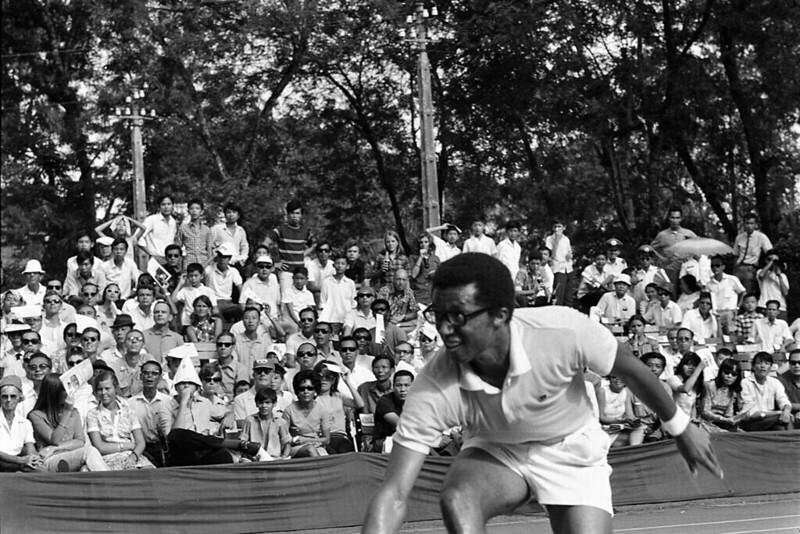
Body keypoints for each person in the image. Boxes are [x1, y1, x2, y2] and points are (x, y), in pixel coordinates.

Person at [362, 253, 721, 534]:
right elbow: (394, 494)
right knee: (458, 499)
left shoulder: (563, 330)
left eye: (457, 316)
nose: (444, 329)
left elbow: (633, 370)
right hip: (497, 452)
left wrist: (680, 427)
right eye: (438, 315)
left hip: (572, 450)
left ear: (501, 314)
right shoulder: (436, 383)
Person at [27, 373, 108, 471]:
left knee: (85, 469)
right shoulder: (36, 415)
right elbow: (55, 440)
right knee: (89, 451)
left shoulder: (74, 412)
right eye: (64, 389)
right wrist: (67, 412)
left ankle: (107, 483)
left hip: (68, 453)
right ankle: (112, 483)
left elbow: (80, 441)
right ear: (54, 392)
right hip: (50, 459)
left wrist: (55, 448)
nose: (69, 393)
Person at [87, 370, 152, 470]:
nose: (104, 393)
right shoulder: (93, 414)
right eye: (100, 389)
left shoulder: (128, 411)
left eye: (107, 388)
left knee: (150, 472)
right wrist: (127, 446)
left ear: (115, 388)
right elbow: (100, 447)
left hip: (132, 456)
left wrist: (134, 456)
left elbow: (140, 442)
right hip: (108, 459)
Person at [264, 200, 315, 295]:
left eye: (297, 213)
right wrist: (275, 263)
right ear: (288, 214)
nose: (295, 216)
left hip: (300, 272)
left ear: (301, 215)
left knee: (300, 300)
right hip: (286, 272)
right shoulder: (280, 230)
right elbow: (265, 244)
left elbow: (313, 245)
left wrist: (301, 254)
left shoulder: (306, 231)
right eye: (292, 213)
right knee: (286, 299)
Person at [314, 360, 363, 454]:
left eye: (328, 377)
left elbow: (359, 404)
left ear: (333, 380)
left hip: (340, 436)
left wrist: (347, 381)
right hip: (323, 437)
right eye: (320, 376)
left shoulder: (338, 396)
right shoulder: (312, 398)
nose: (324, 380)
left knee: (344, 449)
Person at [130, 359, 172, 467]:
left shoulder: (169, 402)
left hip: (165, 447)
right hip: (141, 448)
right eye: (146, 373)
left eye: (154, 374)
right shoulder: (130, 403)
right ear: (141, 376)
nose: (150, 376)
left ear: (160, 377)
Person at [739, 352, 793, 431]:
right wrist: (777, 413)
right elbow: (750, 413)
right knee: (780, 418)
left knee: (784, 422)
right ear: (753, 366)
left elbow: (783, 399)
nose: (763, 366)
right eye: (759, 363)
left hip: (770, 420)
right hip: (751, 422)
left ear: (771, 367)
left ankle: (792, 442)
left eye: (767, 363)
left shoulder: (774, 382)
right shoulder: (745, 383)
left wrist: (786, 410)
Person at [650, 206, 699, 293]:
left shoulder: (689, 233)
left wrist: (690, 256)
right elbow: (651, 249)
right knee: (670, 294)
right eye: (672, 217)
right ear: (669, 218)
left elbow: (699, 249)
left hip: (686, 271)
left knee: (687, 294)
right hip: (669, 271)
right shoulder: (662, 235)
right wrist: (663, 259)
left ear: (681, 219)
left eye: (677, 218)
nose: (675, 220)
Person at [283, 369, 330, 457]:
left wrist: (306, 440)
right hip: (295, 447)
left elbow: (327, 439)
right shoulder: (289, 410)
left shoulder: (322, 410)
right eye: (302, 388)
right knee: (310, 449)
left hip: (317, 445)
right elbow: (284, 438)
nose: (306, 392)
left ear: (315, 391)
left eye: (310, 388)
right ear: (297, 391)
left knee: (325, 457)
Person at [240, 387, 291, 461]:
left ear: (274, 404)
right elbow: (242, 443)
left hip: (274, 459)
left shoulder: (280, 422)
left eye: (267, 402)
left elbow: (287, 444)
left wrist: (283, 457)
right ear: (256, 404)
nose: (264, 406)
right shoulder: (249, 420)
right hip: (253, 459)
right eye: (261, 402)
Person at [371, 369, 414, 453]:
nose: (402, 389)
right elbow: (400, 424)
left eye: (406, 385)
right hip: (385, 441)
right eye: (399, 385)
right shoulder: (384, 401)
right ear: (393, 386)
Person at [700, 358, 745, 432]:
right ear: (721, 372)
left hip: (723, 423)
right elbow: (705, 412)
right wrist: (724, 419)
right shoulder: (709, 386)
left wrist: (732, 419)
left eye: (733, 374)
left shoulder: (732, 390)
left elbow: (729, 412)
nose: (729, 376)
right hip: (707, 423)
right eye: (727, 372)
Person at [733, 213, 773, 294]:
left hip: (750, 268)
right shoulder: (739, 237)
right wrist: (735, 266)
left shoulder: (761, 237)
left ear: (755, 225)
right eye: (747, 223)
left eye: (751, 223)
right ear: (743, 224)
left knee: (747, 293)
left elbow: (770, 252)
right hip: (738, 268)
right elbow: (735, 254)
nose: (749, 226)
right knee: (735, 292)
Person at [172, 262, 218, 331]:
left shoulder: (208, 291)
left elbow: (215, 309)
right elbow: (172, 300)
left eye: (196, 276)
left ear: (201, 276)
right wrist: (180, 284)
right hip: (188, 323)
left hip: (205, 322)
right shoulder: (185, 290)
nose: (193, 278)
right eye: (190, 276)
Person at [318, 251, 357, 332]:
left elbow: (353, 303)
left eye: (343, 264)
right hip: (330, 318)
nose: (340, 266)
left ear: (347, 266)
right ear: (333, 265)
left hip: (346, 319)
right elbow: (323, 302)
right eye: (337, 263)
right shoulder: (327, 282)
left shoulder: (350, 283)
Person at [705, 257, 745, 336]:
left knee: (731, 335)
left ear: (723, 267)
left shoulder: (732, 279)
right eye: (712, 266)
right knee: (718, 336)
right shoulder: (709, 284)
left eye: (717, 265)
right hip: (716, 314)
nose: (715, 268)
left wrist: (737, 307)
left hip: (730, 312)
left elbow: (743, 292)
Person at [135, 194, 178, 265]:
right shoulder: (152, 219)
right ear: (159, 206)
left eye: (169, 204)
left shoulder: (173, 222)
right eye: (163, 204)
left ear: (172, 205)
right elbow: (138, 236)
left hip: (170, 259)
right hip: (156, 259)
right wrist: (150, 253)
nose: (166, 207)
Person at [596, 374, 637, 448]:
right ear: (609, 379)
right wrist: (619, 421)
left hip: (620, 427)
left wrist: (633, 421)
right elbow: (601, 417)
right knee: (623, 441)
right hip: (604, 428)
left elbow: (630, 415)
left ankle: (635, 452)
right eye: (614, 377)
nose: (618, 380)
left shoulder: (626, 391)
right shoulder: (602, 391)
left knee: (640, 429)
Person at [666, 353, 705, 422]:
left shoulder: (695, 384)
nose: (691, 367)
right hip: (674, 421)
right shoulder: (673, 379)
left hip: (687, 422)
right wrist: (698, 370)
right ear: (681, 366)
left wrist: (693, 417)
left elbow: (692, 406)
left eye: (694, 365)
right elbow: (685, 389)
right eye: (687, 364)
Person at [174, 198, 214, 266]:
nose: (194, 211)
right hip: (189, 262)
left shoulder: (206, 229)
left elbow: (209, 249)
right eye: (192, 208)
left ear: (201, 211)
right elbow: (178, 247)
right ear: (188, 211)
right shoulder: (183, 228)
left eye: (197, 208)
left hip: (204, 263)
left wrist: (209, 264)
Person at [544, 220, 573, 306]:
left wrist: (570, 255)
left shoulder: (566, 239)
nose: (557, 229)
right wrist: (556, 239)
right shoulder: (549, 239)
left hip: (568, 268)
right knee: (558, 296)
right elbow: (551, 254)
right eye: (555, 227)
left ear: (564, 227)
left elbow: (569, 252)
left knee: (568, 296)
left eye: (559, 226)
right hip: (557, 269)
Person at [409, 233, 441, 306]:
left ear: (430, 244)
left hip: (432, 296)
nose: (423, 244)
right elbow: (413, 275)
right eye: (421, 242)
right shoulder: (413, 257)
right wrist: (420, 257)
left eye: (426, 242)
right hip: (419, 296)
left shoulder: (435, 258)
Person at [756, 250, 790, 319]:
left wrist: (779, 276)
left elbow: (785, 292)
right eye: (769, 259)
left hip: (780, 307)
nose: (772, 262)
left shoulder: (783, 276)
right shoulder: (760, 271)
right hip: (764, 305)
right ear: (766, 260)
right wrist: (772, 261)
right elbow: (761, 275)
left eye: (775, 260)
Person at [281, 267, 316, 331]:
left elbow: (310, 310)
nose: (299, 281)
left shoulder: (309, 294)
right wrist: (298, 322)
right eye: (297, 278)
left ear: (306, 279)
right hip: (291, 320)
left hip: (304, 320)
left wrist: (305, 322)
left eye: (302, 279)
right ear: (293, 278)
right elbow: (291, 311)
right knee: (294, 328)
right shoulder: (288, 292)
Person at [777, 349, 800, 421]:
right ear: (789, 364)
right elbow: (781, 403)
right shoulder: (780, 381)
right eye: (793, 363)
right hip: (788, 416)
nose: (796, 365)